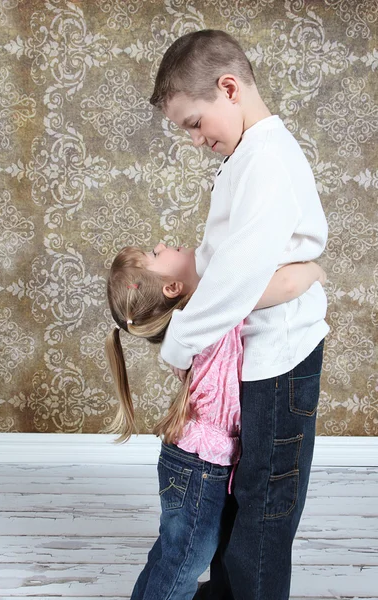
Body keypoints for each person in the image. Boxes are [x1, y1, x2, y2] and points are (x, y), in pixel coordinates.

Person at [149, 30, 330, 600]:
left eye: (195, 123)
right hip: (259, 354)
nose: (196, 139)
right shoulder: (247, 157)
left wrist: (180, 342)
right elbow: (228, 264)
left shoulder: (267, 161)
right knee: (244, 490)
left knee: (265, 503)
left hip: (281, 359)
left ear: (229, 88)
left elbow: (235, 279)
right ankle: (227, 590)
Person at [105, 241, 326, 600]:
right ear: (171, 287)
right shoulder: (212, 308)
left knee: (172, 553)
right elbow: (286, 285)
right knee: (183, 562)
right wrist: (316, 271)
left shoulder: (194, 318)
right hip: (199, 467)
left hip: (190, 460)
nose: (162, 244)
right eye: (156, 254)